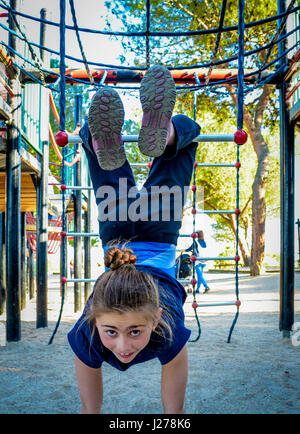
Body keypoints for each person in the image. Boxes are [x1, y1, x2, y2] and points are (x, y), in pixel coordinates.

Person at [67, 64, 201, 414]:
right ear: (158, 315)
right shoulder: (165, 330)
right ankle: (110, 142)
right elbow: (174, 415)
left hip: (159, 229)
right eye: (115, 331)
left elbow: (89, 410)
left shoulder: (88, 334)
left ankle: (169, 133)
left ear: (92, 318)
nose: (123, 345)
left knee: (184, 149)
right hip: (118, 234)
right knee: (104, 169)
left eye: (120, 332)